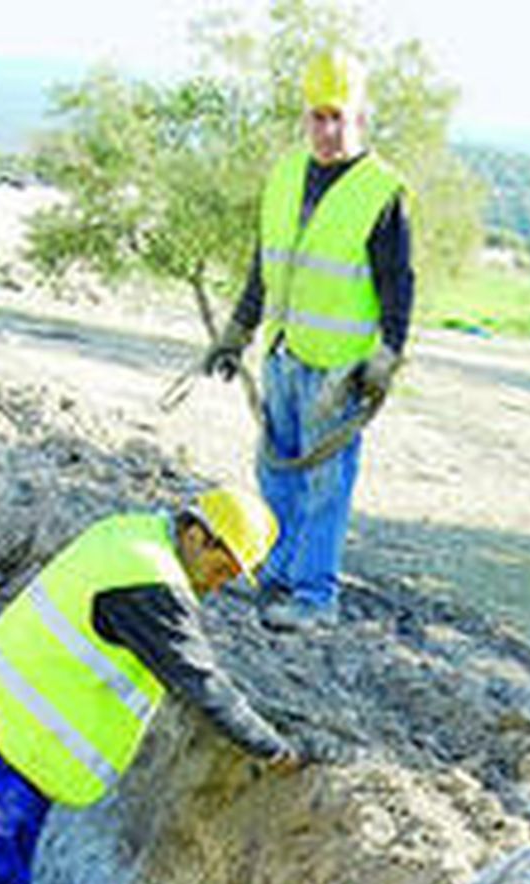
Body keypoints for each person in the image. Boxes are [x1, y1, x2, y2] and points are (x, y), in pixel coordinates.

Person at [0, 486, 295, 884]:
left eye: (234, 576)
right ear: (197, 534)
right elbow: (200, 680)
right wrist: (272, 748)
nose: (220, 584)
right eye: (223, 567)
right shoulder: (149, 582)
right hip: (8, 736)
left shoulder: (132, 534)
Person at [202, 47, 414, 632]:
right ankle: (274, 579)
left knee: (325, 485)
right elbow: (264, 265)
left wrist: (387, 355)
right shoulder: (286, 177)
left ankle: (315, 597)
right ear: (305, 117)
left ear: (359, 117)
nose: (326, 130)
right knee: (276, 475)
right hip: (283, 354)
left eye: (337, 117)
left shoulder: (381, 190)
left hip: (339, 371)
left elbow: (398, 282)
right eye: (317, 117)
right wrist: (236, 332)